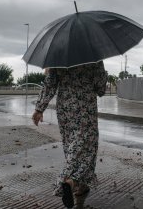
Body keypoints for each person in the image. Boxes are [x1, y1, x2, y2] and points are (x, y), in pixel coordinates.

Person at [32, 61, 108, 208]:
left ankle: (81, 186)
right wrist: (103, 76)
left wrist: (39, 108)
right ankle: (69, 180)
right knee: (87, 148)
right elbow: (101, 89)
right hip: (85, 107)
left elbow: (50, 84)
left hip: (65, 108)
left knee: (71, 146)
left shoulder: (58, 55)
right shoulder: (94, 56)